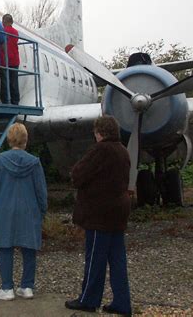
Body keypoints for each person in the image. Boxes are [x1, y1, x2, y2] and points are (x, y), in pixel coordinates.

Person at [65, 115, 132, 316]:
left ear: (99, 133)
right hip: (118, 212)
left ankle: (88, 299)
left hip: (99, 213)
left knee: (95, 258)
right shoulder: (123, 151)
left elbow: (78, 175)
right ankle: (122, 302)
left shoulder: (101, 150)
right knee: (117, 259)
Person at [0, 123, 47, 301]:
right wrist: (43, 210)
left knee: (5, 247)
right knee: (29, 248)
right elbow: (41, 191)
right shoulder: (34, 162)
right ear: (25, 140)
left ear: (9, 139)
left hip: (4, 209)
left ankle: (7, 288)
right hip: (29, 210)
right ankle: (27, 286)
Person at [0, 14, 20, 105]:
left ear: (3, 21)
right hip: (15, 60)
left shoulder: (2, 31)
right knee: (14, 82)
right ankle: (15, 100)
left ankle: (6, 101)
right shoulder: (15, 32)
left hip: (5, 60)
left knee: (4, 82)